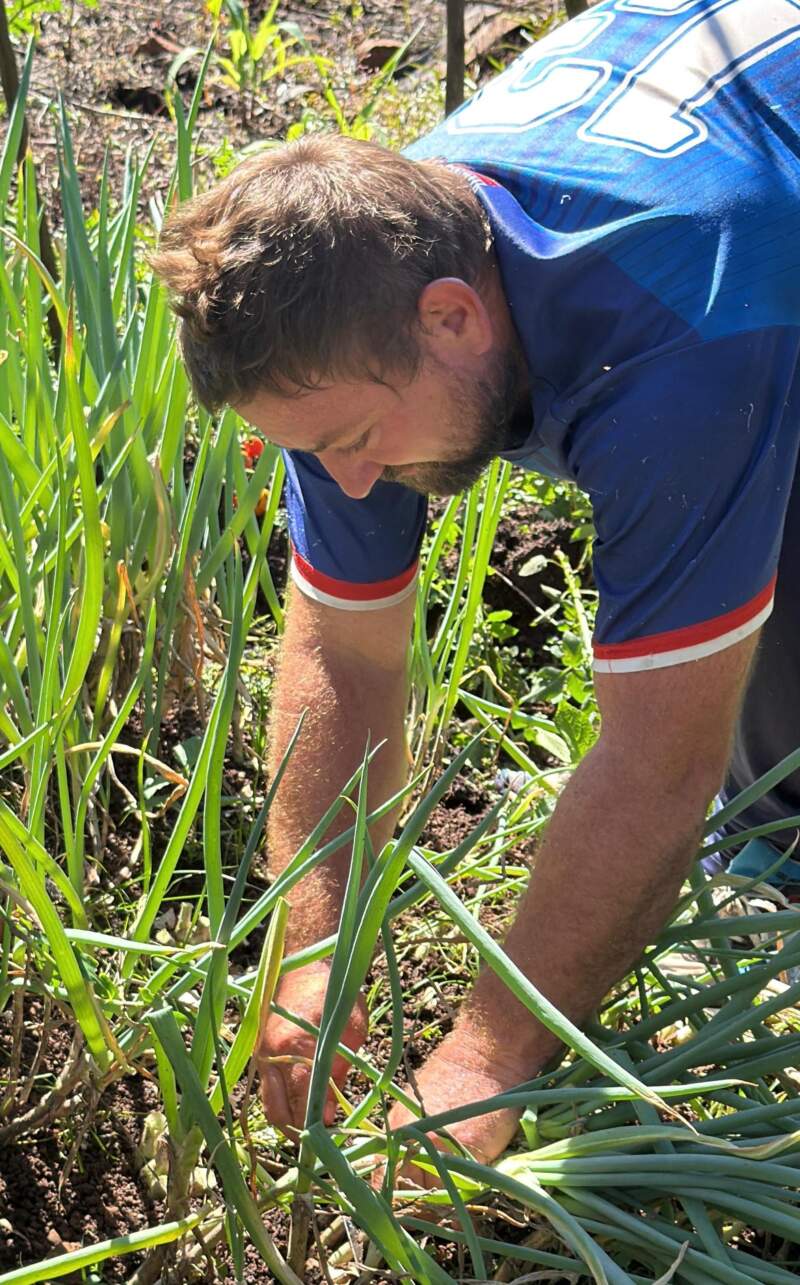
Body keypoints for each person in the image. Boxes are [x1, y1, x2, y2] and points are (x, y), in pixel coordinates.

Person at [151, 0, 800, 1175]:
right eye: (312, 448)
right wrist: (312, 948)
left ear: (451, 316)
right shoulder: (364, 305)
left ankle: (776, 854)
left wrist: (483, 1060)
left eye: (351, 437)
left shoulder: (675, 322)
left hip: (741, 232)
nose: (346, 478)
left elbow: (658, 763)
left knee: (748, 550)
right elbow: (344, 652)